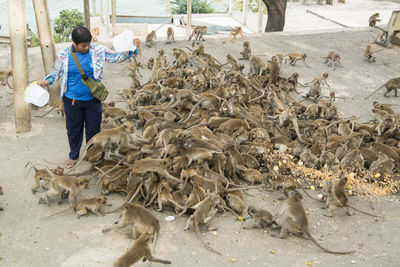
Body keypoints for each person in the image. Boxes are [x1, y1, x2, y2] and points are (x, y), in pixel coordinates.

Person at [38, 26, 140, 168]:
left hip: (93, 99)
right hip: (72, 100)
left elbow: (116, 57)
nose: (87, 47)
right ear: (74, 43)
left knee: (94, 130)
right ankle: (73, 155)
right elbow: (55, 73)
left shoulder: (98, 50)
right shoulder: (64, 55)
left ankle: (92, 154)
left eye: (88, 44)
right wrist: (46, 81)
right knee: (74, 129)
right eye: (83, 45)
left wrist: (132, 49)